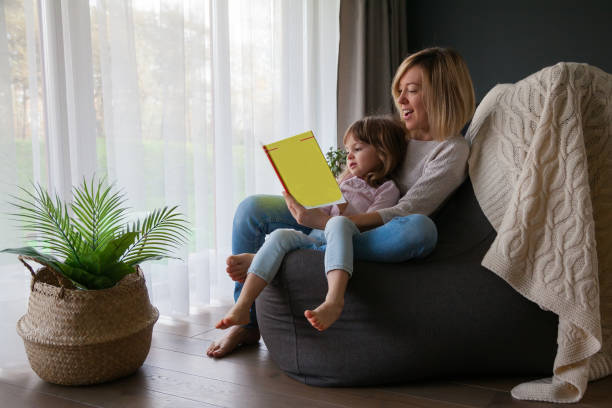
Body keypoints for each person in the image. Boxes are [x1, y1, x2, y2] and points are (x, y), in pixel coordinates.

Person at [206, 47, 475, 358]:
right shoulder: (393, 133)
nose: (400, 100)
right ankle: (247, 322)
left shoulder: (451, 150)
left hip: (380, 231)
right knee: (252, 209)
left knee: (420, 230)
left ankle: (288, 250)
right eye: (399, 90)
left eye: (411, 91)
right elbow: (350, 178)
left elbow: (407, 210)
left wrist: (323, 223)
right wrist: (316, 194)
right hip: (338, 219)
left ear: (443, 95)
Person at [215, 116, 407, 333]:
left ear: (383, 152)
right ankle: (243, 305)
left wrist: (343, 208)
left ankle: (331, 299)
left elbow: (372, 223)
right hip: (315, 236)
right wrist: (306, 199)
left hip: (343, 237)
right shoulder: (343, 181)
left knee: (337, 225)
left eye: (358, 148)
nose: (350, 156)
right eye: (347, 150)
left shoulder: (387, 189)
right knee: (280, 235)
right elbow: (320, 214)